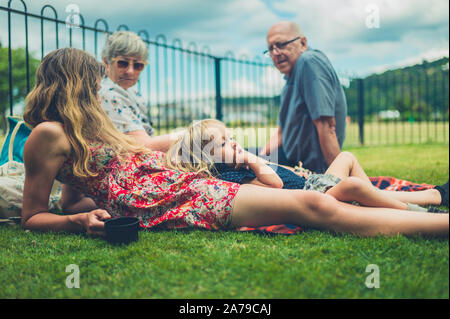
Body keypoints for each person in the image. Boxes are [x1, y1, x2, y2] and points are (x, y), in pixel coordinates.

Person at [21, 48, 448, 239]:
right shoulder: (47, 134)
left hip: (173, 186)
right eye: (93, 85)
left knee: (315, 201)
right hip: (163, 200)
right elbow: (34, 215)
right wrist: (76, 222)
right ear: (74, 84)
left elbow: (75, 195)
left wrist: (89, 209)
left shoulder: (85, 132)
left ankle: (429, 210)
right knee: (315, 205)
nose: (99, 93)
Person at [165, 119, 448, 212]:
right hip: (318, 195)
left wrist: (291, 169)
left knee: (347, 158)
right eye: (225, 143)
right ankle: (416, 211)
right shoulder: (231, 177)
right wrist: (252, 160)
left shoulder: (238, 165)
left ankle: (428, 195)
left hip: (313, 183)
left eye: (232, 138)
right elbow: (274, 185)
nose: (235, 144)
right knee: (351, 186)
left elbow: (280, 172)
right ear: (208, 158)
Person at [259, 21, 347, 173]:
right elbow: (281, 133)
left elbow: (326, 125)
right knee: (231, 157)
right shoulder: (289, 79)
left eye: (281, 44)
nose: (275, 53)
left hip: (308, 168)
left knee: (223, 160)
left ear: (303, 43)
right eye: (270, 49)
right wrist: (259, 158)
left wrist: (335, 178)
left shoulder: (309, 62)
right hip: (289, 159)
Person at [100, 30, 179, 152]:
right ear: (106, 62)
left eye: (138, 65)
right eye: (123, 63)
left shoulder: (132, 93)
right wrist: (196, 135)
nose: (130, 71)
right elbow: (144, 146)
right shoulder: (107, 95)